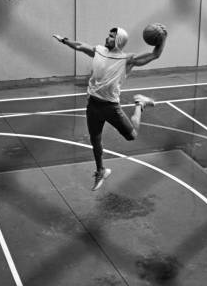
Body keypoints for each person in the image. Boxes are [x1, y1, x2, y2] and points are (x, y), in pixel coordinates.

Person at [53, 27, 167, 190]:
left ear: (119, 40)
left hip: (110, 106)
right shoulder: (99, 50)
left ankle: (139, 104)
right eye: (108, 35)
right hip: (92, 104)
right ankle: (101, 170)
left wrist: (163, 38)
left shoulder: (127, 59)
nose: (108, 38)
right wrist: (64, 40)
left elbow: (155, 54)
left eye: (112, 36)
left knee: (132, 135)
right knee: (95, 140)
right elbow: (80, 45)